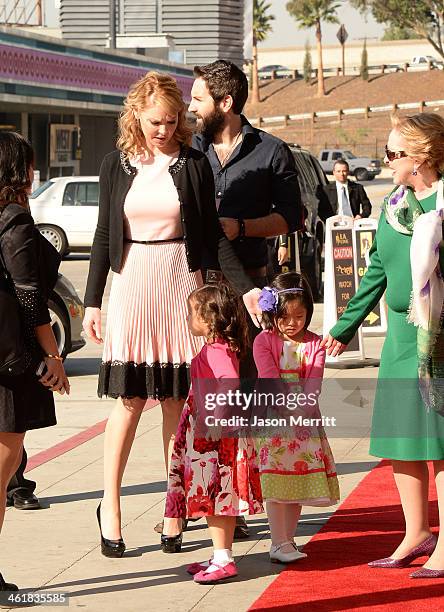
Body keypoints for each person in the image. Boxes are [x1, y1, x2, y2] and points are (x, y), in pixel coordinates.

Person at [82, 72, 260, 557]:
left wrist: (244, 291)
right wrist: (92, 303)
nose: (163, 129)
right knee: (130, 401)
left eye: (172, 120)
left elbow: (212, 237)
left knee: (176, 405)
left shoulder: (194, 163)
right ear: (136, 115)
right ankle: (110, 504)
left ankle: (173, 508)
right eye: (155, 121)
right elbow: (103, 236)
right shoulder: (115, 164)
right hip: (134, 282)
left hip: (181, 283)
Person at [322, 113, 444, 578]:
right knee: (404, 441)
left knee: (439, 444)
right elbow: (376, 271)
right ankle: (416, 532)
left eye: (393, 153)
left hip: (437, 340)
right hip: (398, 339)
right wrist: (342, 326)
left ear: (422, 157)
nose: (385, 160)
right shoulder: (395, 205)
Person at [189, 58, 303, 538]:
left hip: (251, 291)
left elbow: (292, 217)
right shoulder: (188, 150)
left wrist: (241, 227)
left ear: (226, 103)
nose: (192, 108)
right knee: (200, 399)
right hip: (196, 290)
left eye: (198, 99)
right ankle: (204, 503)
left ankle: (252, 498)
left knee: (251, 394)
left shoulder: (272, 151)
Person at [0, 131, 69, 593]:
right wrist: (52, 355)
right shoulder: (15, 220)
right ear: (20, 170)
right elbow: (29, 296)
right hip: (8, 359)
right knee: (1, 471)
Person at [164, 284, 263, 583]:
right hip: (212, 434)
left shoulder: (217, 349)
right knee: (213, 496)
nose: (187, 318)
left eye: (191, 313)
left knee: (217, 496)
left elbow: (230, 382)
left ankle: (224, 558)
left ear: (208, 320)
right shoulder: (218, 346)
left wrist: (216, 417)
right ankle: (219, 553)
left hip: (216, 440)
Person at [253, 272, 339, 563]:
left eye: (300, 316)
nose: (293, 323)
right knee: (276, 481)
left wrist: (303, 409)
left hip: (305, 421)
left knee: (298, 480)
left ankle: (288, 541)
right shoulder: (264, 341)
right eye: (286, 317)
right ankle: (278, 541)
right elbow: (270, 378)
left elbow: (314, 382)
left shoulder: (315, 344)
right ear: (272, 314)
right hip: (275, 420)